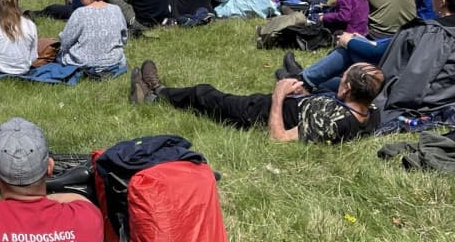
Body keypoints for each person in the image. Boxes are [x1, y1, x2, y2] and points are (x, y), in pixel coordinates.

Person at [132, 58, 384, 143]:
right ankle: (155, 91)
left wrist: (279, 95)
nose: (339, 81)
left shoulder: (332, 122)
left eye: (342, 79)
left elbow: (278, 137)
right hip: (294, 103)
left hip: (256, 113)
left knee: (203, 94)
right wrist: (303, 96)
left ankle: (157, 94)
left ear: (347, 88)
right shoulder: (370, 112)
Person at [58, 0, 127, 72]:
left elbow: (65, 43)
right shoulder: (116, 9)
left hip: (84, 62)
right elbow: (124, 38)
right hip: (113, 61)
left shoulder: (80, 13)